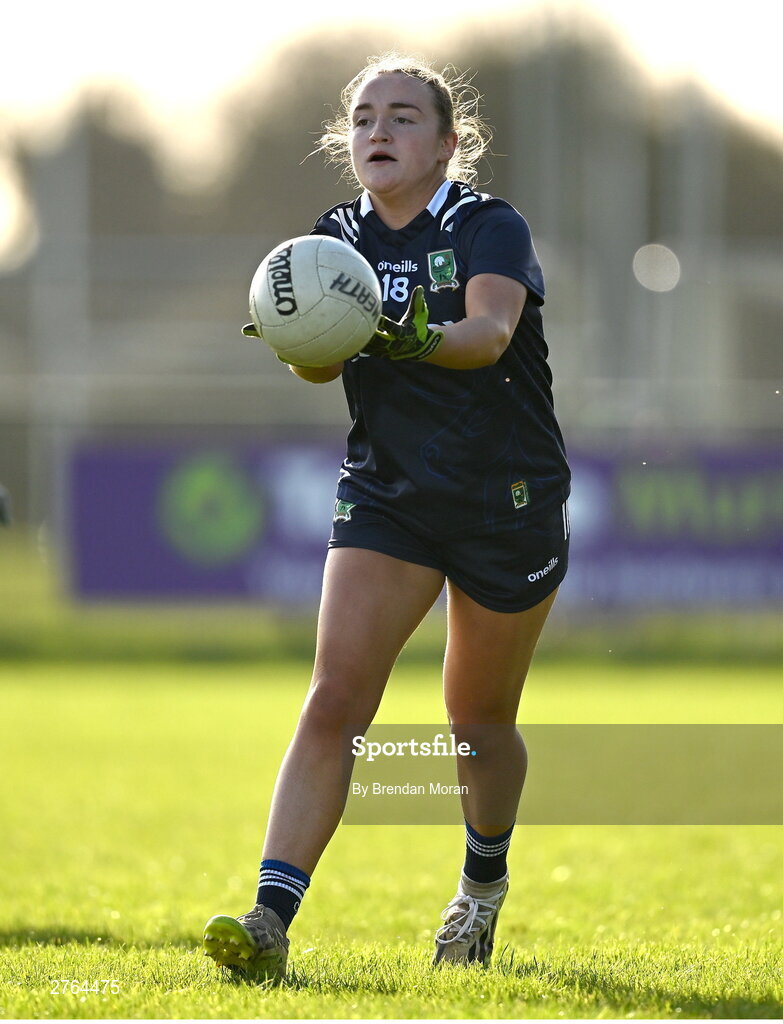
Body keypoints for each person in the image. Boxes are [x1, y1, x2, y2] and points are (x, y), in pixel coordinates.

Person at [203, 53, 570, 981]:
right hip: (389, 496)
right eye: (365, 117)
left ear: (448, 144)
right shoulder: (331, 240)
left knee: (475, 720)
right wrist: (304, 330)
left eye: (404, 118)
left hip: (505, 498)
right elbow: (319, 367)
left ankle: (479, 892)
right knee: (335, 698)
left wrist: (390, 325)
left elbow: (486, 338)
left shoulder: (487, 224)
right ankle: (269, 918)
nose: (379, 131)